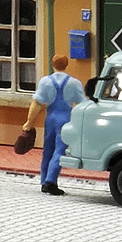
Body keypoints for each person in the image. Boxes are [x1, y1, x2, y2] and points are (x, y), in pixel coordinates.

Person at [22, 54, 85, 195]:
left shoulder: (45, 82)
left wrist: (29, 122)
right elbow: (82, 104)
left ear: (52, 64)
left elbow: (36, 103)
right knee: (60, 150)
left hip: (50, 118)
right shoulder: (74, 83)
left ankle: (44, 181)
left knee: (48, 150)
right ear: (66, 65)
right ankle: (51, 181)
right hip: (66, 119)